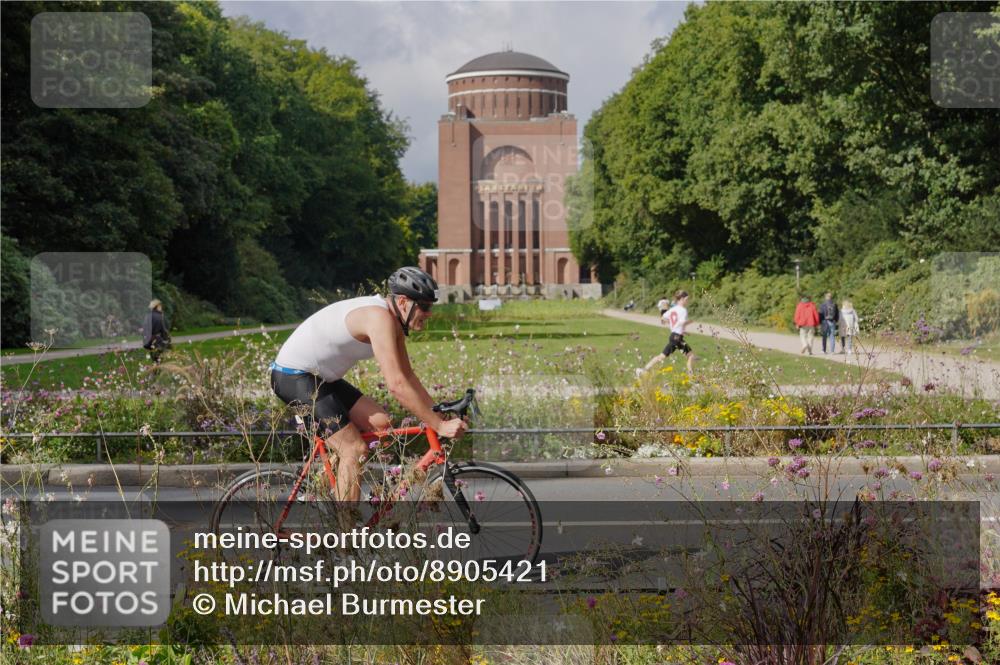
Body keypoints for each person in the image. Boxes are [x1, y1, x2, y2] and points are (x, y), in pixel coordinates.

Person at [270, 267, 467, 502]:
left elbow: (408, 376)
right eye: (424, 306)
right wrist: (438, 426)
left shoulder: (394, 322)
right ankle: (345, 523)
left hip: (322, 379)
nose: (429, 313)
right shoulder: (379, 318)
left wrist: (437, 414)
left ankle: (325, 488)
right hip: (293, 377)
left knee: (382, 426)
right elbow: (396, 384)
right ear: (403, 302)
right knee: (353, 449)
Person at [638, 290, 696, 376]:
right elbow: (681, 322)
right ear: (682, 299)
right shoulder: (683, 310)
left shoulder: (673, 309)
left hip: (674, 336)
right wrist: (689, 322)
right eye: (687, 299)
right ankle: (691, 378)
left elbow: (663, 318)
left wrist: (675, 326)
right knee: (690, 356)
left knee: (663, 356)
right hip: (677, 338)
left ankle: (643, 370)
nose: (688, 301)